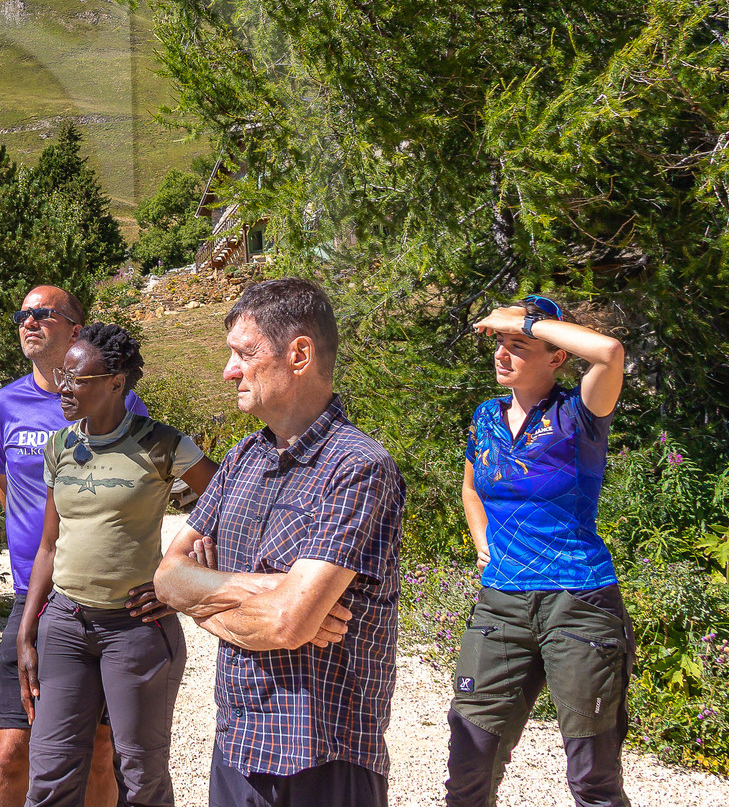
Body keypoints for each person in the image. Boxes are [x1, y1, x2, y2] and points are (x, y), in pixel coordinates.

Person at [154, 277, 405, 807]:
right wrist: (267, 589)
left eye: (245, 353)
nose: (229, 371)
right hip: (238, 745)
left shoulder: (359, 467)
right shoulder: (242, 459)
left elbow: (288, 623)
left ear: (299, 355)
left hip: (323, 757)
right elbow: (167, 578)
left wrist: (204, 601)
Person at [18, 323, 217, 807]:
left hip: (135, 628)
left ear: (115, 382)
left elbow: (228, 505)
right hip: (65, 626)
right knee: (50, 775)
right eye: (62, 376)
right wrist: (27, 631)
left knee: (140, 776)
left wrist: (182, 584)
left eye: (77, 379)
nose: (64, 388)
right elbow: (48, 546)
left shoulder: (161, 443)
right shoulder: (59, 446)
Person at [444, 295, 631, 807]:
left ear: (557, 356)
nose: (502, 354)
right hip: (501, 603)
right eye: (500, 343)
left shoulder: (580, 413)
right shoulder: (486, 416)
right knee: (468, 765)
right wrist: (483, 544)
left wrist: (527, 322)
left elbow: (610, 352)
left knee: (592, 779)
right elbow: (472, 488)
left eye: (519, 345)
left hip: (579, 601)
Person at [0, 285, 147, 807]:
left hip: (106, 602)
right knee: (12, 750)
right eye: (22, 314)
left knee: (100, 749)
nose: (28, 322)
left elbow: (152, 483)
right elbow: (7, 489)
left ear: (76, 329)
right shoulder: (5, 404)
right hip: (33, 595)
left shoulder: (120, 399)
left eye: (43, 314)